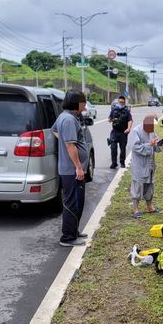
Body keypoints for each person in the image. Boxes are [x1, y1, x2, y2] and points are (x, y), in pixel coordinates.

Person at [51, 90, 89, 247]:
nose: (85, 105)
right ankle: (67, 237)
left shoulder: (66, 117)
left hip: (72, 169)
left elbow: (54, 130)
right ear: (77, 103)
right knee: (72, 203)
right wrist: (78, 167)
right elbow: (70, 145)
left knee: (78, 201)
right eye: (83, 102)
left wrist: (64, 139)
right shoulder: (68, 120)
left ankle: (74, 231)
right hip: (71, 170)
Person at [130, 114, 163, 218]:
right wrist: (150, 144)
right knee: (137, 186)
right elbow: (136, 147)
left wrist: (159, 143)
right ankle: (136, 209)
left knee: (149, 185)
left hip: (150, 164)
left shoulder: (152, 131)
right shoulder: (136, 131)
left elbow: (156, 147)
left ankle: (149, 206)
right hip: (139, 165)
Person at [108, 95, 133, 168]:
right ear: (118, 102)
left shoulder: (126, 111)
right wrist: (111, 119)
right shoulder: (114, 109)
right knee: (113, 148)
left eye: (122, 102)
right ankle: (114, 163)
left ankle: (122, 162)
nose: (121, 103)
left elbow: (130, 120)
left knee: (122, 149)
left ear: (124, 103)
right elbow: (109, 118)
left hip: (123, 132)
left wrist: (128, 128)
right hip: (114, 132)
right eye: (120, 102)